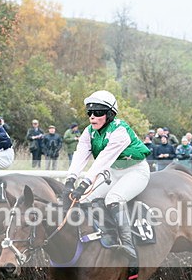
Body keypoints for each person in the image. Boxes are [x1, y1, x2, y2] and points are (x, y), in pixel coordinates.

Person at [64, 90, 151, 262]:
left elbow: (102, 161)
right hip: (113, 171)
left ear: (110, 114)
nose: (92, 117)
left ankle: (128, 244)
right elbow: (80, 156)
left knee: (113, 198)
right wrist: (70, 180)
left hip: (136, 171)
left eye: (98, 113)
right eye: (90, 113)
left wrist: (83, 184)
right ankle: (107, 234)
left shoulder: (120, 131)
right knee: (85, 199)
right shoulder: (89, 132)